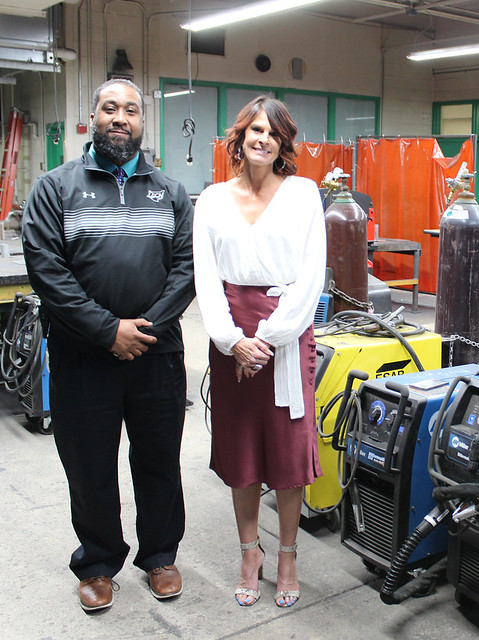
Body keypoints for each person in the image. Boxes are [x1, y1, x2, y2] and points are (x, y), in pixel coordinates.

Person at [22, 79, 195, 612]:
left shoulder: (171, 193)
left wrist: (142, 330)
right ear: (93, 116)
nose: (120, 117)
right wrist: (105, 330)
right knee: (89, 464)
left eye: (131, 110)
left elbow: (188, 269)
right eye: (110, 108)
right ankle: (98, 562)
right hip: (82, 357)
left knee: (159, 460)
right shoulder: (55, 188)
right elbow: (47, 270)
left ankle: (160, 555)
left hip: (156, 355)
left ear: (143, 122)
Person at [192, 96, 325, 608]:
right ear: (240, 137)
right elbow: (206, 277)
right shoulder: (211, 200)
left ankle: (288, 556)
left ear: (283, 143)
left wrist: (268, 337)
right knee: (242, 452)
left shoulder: (303, 195)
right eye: (255, 130)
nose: (263, 138)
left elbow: (310, 276)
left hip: (285, 339)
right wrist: (232, 342)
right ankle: (251, 553)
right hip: (232, 341)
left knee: (287, 455)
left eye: (273, 132)